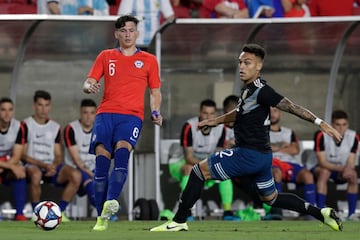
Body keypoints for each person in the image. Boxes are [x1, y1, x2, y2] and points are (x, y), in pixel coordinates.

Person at [150, 43, 343, 232]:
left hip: (248, 154)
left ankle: (179, 221)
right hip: (262, 157)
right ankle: (322, 213)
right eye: (240, 62)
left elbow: (291, 106)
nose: (242, 66)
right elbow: (238, 112)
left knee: (198, 172)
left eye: (247, 63)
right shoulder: (249, 89)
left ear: (259, 66)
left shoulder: (262, 91)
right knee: (271, 198)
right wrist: (215, 121)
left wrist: (321, 123)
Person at [82, 14, 163, 231]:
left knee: (122, 150)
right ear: (116, 34)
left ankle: (111, 200)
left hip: (131, 117)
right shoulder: (105, 56)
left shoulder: (149, 60)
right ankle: (101, 217)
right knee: (101, 162)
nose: (127, 34)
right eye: (123, 30)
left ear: (137, 33)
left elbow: (155, 91)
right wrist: (88, 86)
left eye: (131, 30)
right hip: (105, 114)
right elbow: (89, 80)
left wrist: (155, 111)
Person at [172, 99, 238, 220]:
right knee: (189, 169)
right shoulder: (189, 126)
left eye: (212, 114)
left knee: (225, 171)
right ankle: (187, 211)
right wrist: (207, 166)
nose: (208, 116)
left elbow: (218, 154)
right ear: (199, 113)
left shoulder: (221, 129)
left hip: (206, 162)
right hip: (180, 163)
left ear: (216, 115)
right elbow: (188, 158)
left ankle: (227, 212)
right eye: (205, 113)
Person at [21, 90, 82, 222]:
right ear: (34, 106)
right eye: (40, 105)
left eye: (46, 105)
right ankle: (37, 214)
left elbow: (58, 154)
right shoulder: (26, 125)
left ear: (50, 106)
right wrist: (44, 165)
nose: (43, 109)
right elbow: (23, 154)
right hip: (32, 166)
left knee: (76, 175)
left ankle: (59, 212)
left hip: (50, 167)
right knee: (36, 174)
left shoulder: (55, 127)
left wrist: (54, 166)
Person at [269, 106, 316, 219]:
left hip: (289, 163)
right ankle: (277, 210)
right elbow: (262, 148)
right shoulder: (260, 130)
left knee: (308, 175)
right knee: (276, 173)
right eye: (269, 111)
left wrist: (274, 147)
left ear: (280, 113)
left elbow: (295, 150)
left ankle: (310, 212)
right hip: (272, 162)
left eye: (275, 110)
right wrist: (283, 145)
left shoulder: (289, 133)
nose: (272, 114)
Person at [313, 110, 359, 220]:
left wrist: (348, 169)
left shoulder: (354, 136)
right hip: (320, 169)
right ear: (332, 124)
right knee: (324, 172)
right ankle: (320, 213)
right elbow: (322, 162)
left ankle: (351, 214)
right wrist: (343, 168)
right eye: (337, 125)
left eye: (344, 125)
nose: (341, 128)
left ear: (348, 124)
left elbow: (351, 161)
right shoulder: (321, 135)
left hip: (341, 169)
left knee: (353, 175)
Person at [63, 99, 97, 210]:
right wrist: (91, 174)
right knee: (90, 183)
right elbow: (76, 159)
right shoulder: (71, 129)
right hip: (75, 168)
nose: (88, 116)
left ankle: (110, 210)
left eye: (92, 113)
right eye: (85, 112)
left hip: (93, 168)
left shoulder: (100, 129)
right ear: (80, 113)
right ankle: (60, 211)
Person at [0, 97, 27, 221]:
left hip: (7, 162)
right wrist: (9, 166)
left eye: (10, 110)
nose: (7, 113)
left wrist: (7, 166)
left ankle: (20, 214)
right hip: (5, 164)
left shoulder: (19, 126)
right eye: (3, 110)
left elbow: (17, 155)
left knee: (20, 172)